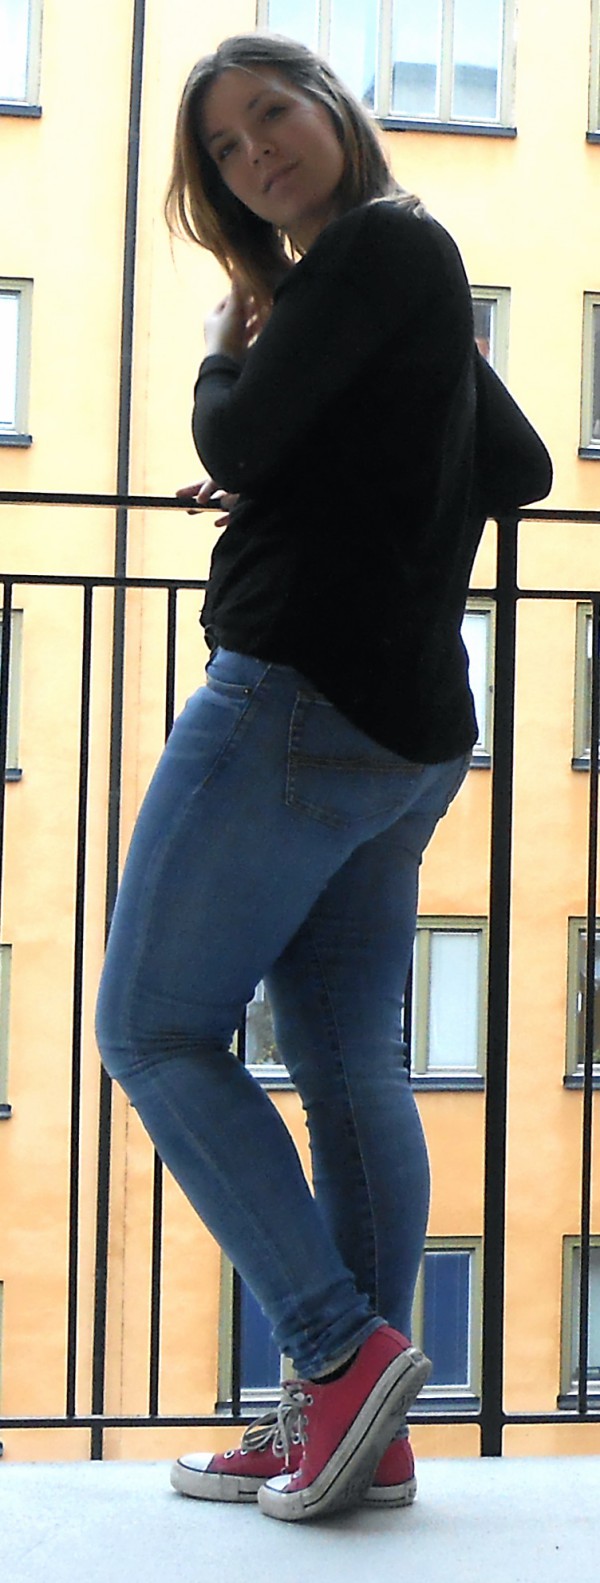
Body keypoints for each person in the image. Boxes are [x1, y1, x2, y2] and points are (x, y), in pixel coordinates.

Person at [95, 32, 552, 1523]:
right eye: (225, 150)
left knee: (152, 1030)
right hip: (405, 732)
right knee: (349, 1064)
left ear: (332, 106)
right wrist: (310, 455)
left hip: (293, 699)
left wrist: (233, 350)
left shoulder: (365, 251)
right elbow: (522, 466)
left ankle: (337, 1355)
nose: (256, 155)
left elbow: (232, 422)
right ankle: (364, 1434)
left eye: (270, 115)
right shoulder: (407, 269)